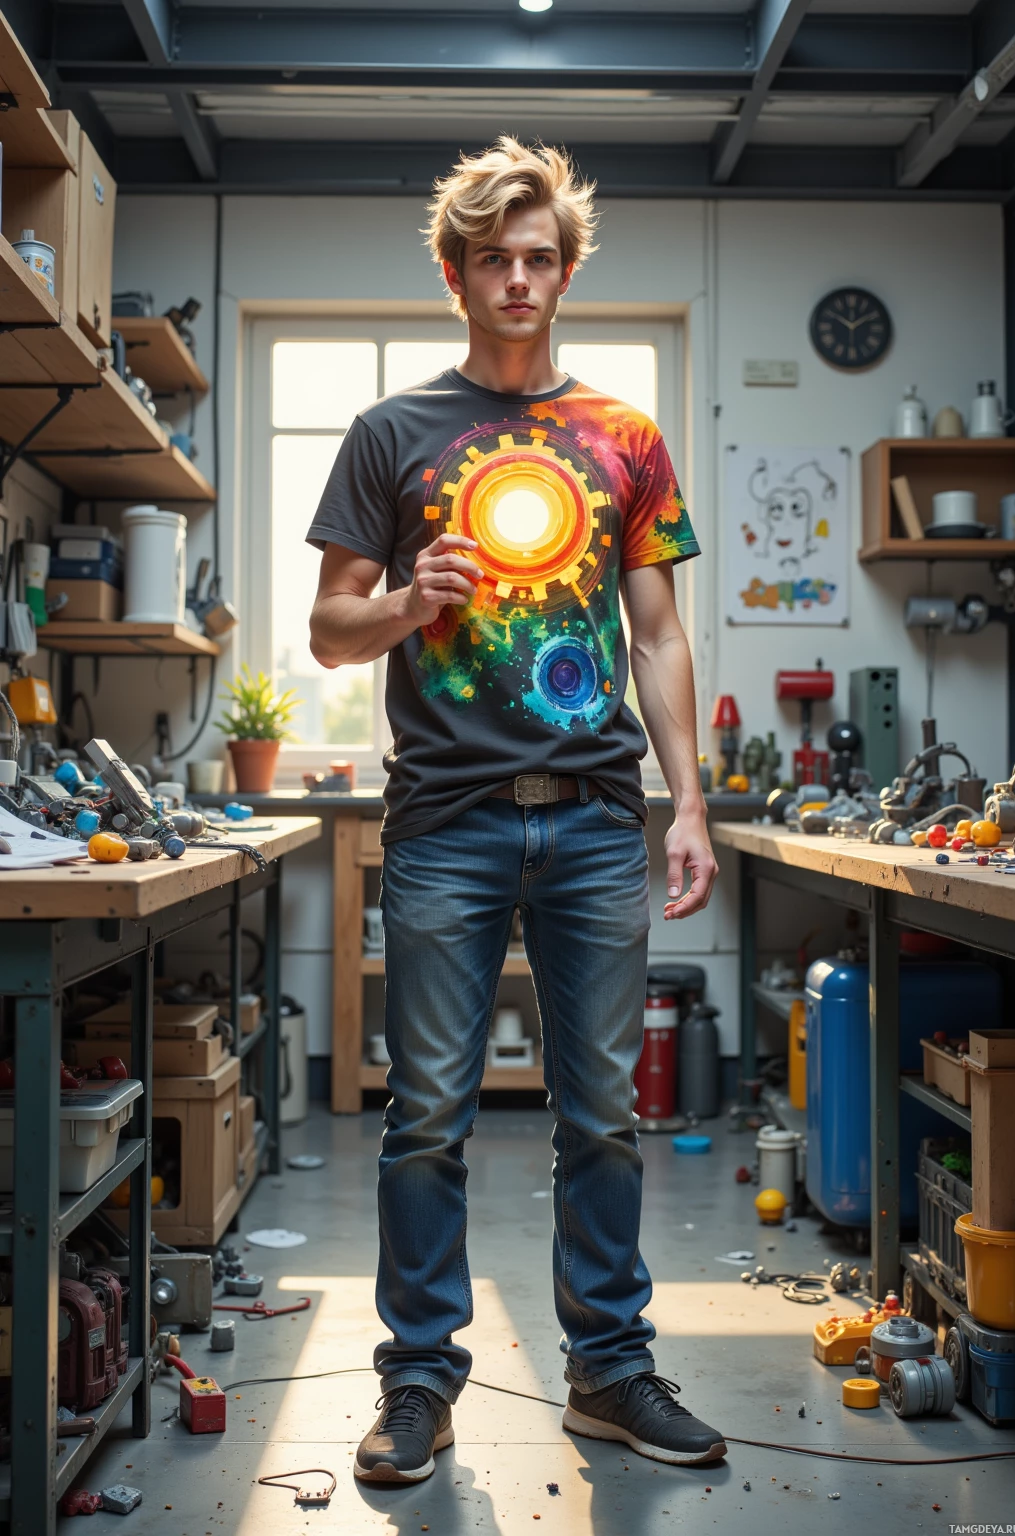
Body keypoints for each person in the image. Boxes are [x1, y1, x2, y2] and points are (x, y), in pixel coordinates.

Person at [307, 137, 725, 1485]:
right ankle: (419, 1381)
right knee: (426, 1113)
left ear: (566, 271)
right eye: (493, 258)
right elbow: (327, 630)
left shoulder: (626, 437)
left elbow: (658, 635)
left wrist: (689, 805)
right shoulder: (391, 433)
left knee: (603, 1114)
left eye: (540, 257)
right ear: (457, 274)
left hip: (599, 818)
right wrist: (406, 602)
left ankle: (607, 1371)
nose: (519, 279)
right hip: (446, 821)